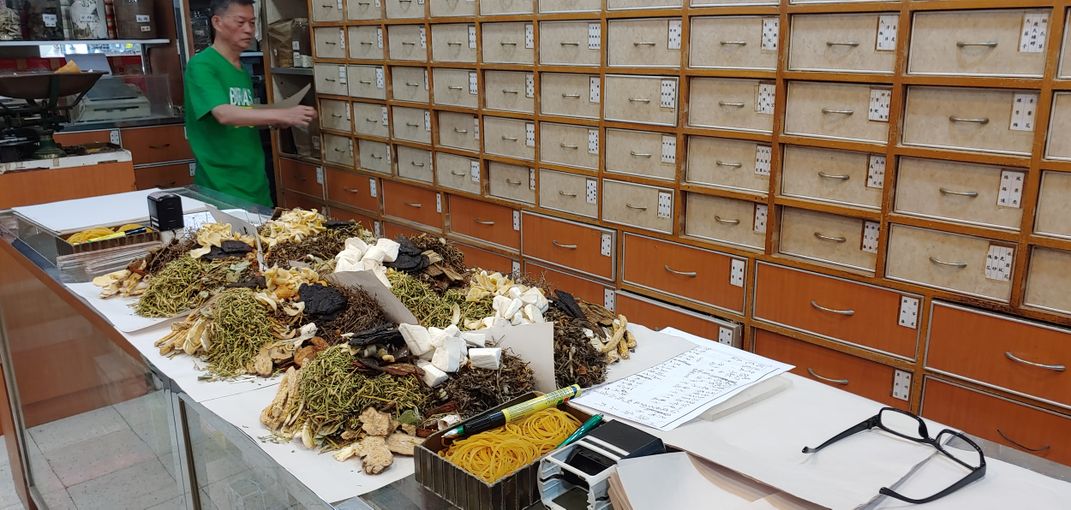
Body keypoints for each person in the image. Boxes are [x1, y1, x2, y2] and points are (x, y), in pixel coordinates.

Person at [184, 0, 316, 207]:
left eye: (252, 23)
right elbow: (224, 114)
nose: (248, 30)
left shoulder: (240, 69)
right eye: (240, 22)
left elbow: (243, 114)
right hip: (221, 187)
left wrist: (277, 118)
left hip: (255, 184)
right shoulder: (202, 65)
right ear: (217, 22)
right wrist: (280, 115)